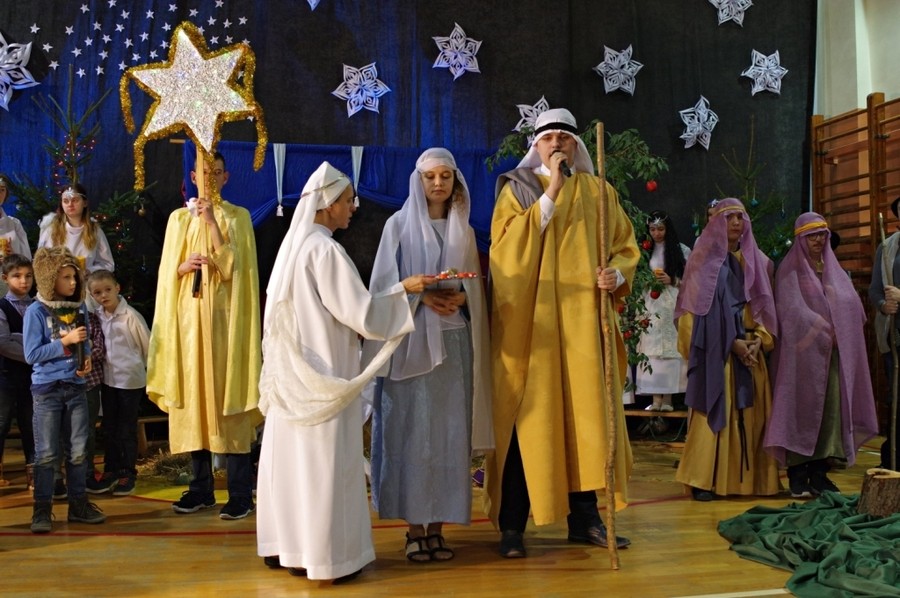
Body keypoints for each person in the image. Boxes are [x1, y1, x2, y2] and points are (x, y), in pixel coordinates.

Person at [256, 162, 433, 582]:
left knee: (292, 464)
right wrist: (404, 291)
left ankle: (289, 547)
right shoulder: (324, 251)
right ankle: (327, 558)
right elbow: (362, 314)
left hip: (293, 379)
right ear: (328, 203)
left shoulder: (294, 249)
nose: (354, 208)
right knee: (324, 466)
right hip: (323, 377)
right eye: (349, 200)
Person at [486, 108, 639, 558]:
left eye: (564, 138)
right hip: (533, 333)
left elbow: (625, 247)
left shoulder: (598, 191)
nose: (556, 144)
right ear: (536, 145)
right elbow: (505, 254)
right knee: (527, 426)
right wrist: (551, 189)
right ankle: (512, 526)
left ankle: (585, 519)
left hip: (583, 331)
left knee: (584, 424)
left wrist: (616, 273)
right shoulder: (517, 190)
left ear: (576, 145)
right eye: (548, 138)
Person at [367, 148, 492, 563]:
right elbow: (382, 289)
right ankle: (414, 530)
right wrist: (421, 298)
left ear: (455, 182)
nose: (438, 183)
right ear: (418, 181)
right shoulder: (398, 226)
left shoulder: (464, 230)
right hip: (410, 344)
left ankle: (438, 528)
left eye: (445, 176)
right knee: (413, 435)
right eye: (430, 177)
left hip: (454, 346)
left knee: (448, 435)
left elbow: (475, 289)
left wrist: (462, 298)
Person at [146, 151, 263, 520]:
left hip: (225, 326)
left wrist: (212, 222)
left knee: (228, 399)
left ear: (226, 177)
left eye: (216, 172)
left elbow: (235, 269)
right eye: (203, 172)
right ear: (193, 177)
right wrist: (182, 267)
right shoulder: (178, 219)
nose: (210, 178)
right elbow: (167, 273)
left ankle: (240, 492)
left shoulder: (238, 217)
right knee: (194, 400)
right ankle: (200, 488)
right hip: (189, 325)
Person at [673, 198, 780, 501]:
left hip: (751, 356)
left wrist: (759, 340)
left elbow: (765, 308)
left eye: (740, 217)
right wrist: (731, 343)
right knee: (711, 414)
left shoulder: (758, 263)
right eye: (729, 217)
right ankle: (703, 480)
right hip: (717, 356)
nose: (735, 222)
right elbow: (690, 318)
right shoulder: (702, 264)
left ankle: (749, 482)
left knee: (752, 420)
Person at [765, 213, 877, 497]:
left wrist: (843, 326)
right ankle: (797, 473)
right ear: (800, 238)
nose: (818, 240)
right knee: (800, 410)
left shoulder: (833, 269)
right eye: (811, 235)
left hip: (833, 356)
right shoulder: (789, 269)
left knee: (830, 412)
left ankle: (819, 473)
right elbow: (791, 310)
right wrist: (824, 328)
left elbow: (853, 305)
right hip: (801, 358)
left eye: (822, 234)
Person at [24, 246, 106, 533]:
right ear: (50, 279)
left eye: (74, 277)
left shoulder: (79, 307)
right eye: (66, 277)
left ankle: (79, 505)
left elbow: (85, 343)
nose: (72, 283)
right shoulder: (36, 311)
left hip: (76, 388)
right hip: (47, 391)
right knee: (47, 454)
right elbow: (31, 354)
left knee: (79, 452)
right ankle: (41, 510)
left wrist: (86, 360)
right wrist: (64, 342)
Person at [89, 269, 151, 496]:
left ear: (117, 288)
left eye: (107, 289)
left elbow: (148, 346)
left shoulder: (130, 316)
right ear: (92, 295)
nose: (104, 295)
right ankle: (111, 469)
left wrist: (145, 372)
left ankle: (127, 472)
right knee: (110, 427)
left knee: (126, 428)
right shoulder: (97, 316)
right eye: (97, 292)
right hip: (108, 381)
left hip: (129, 381)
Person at [636, 210, 691, 411]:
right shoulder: (644, 250)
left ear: (667, 229)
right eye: (652, 229)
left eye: (660, 229)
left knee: (671, 348)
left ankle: (667, 398)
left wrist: (672, 280)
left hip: (671, 303)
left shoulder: (681, 250)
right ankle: (655, 398)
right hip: (650, 303)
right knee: (651, 348)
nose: (656, 233)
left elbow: (692, 281)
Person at [868, 196, 900, 469]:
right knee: (896, 398)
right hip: (895, 336)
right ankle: (893, 461)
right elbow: (875, 289)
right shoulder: (887, 247)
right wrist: (882, 304)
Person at [0, 254, 35, 486]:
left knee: (31, 424)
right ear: (5, 278)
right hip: (5, 377)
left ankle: (35, 473)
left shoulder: (38, 306)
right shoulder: (2, 307)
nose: (24, 281)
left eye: (28, 276)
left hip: (33, 378)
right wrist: (34, 353)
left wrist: (18, 338)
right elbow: (3, 342)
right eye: (17, 276)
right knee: (1, 422)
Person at [37, 184, 114, 275]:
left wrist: (90, 270)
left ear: (85, 203)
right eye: (66, 201)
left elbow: (108, 264)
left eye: (75, 200)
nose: (70, 204)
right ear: (61, 204)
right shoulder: (51, 230)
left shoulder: (95, 231)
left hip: (86, 281)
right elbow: (41, 261)